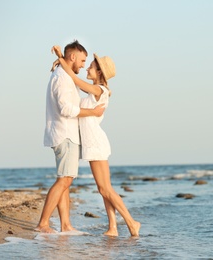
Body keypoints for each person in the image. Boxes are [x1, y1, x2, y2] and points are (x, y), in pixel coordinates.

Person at [51, 45, 141, 237]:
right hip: (93, 144)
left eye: (90, 66)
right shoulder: (95, 91)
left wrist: (62, 60)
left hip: (95, 143)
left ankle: (132, 223)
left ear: (99, 71)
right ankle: (113, 228)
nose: (87, 68)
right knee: (104, 189)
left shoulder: (100, 89)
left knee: (105, 188)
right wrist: (62, 57)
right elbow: (74, 80)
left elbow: (74, 79)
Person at [36, 40, 105, 234]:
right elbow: (67, 109)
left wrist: (59, 57)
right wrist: (93, 113)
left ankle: (65, 225)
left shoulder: (64, 75)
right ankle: (43, 224)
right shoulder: (62, 78)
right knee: (64, 180)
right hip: (64, 133)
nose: (84, 65)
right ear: (72, 57)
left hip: (67, 134)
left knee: (65, 179)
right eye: (82, 60)